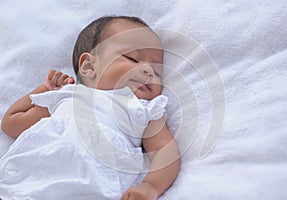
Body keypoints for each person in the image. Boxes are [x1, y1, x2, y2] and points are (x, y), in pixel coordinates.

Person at [0, 16, 181, 200]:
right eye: (133, 58)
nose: (148, 71)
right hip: (29, 180)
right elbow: (11, 123)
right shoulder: (67, 95)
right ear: (88, 66)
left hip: (93, 186)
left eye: (157, 71)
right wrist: (45, 90)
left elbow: (165, 151)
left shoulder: (143, 109)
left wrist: (150, 187)